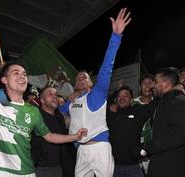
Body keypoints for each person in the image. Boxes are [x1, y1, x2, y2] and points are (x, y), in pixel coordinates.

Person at [0, 8, 87, 177]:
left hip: (29, 172)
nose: (22, 77)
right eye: (15, 73)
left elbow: (50, 136)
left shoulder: (32, 110)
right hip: (1, 172)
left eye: (24, 74)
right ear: (4, 80)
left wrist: (75, 136)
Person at [58, 8, 131, 177]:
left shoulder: (97, 94)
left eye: (84, 78)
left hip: (100, 149)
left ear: (91, 82)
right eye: (77, 78)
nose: (81, 80)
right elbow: (57, 116)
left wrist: (116, 37)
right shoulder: (71, 101)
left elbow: (107, 67)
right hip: (81, 150)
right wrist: (64, 102)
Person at [140, 67, 185, 177]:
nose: (153, 85)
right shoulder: (163, 101)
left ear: (165, 84)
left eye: (156, 81)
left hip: (174, 167)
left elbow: (181, 135)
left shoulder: (178, 101)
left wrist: (147, 147)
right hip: (162, 163)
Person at [31, 86, 76, 177]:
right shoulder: (36, 116)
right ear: (42, 100)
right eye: (50, 94)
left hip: (59, 169)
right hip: (41, 169)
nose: (54, 96)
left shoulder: (60, 117)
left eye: (56, 94)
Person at [107, 86, 147, 177]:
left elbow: (153, 104)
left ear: (131, 100)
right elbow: (103, 101)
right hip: (114, 166)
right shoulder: (111, 114)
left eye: (126, 95)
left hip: (133, 166)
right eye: (119, 96)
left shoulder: (138, 111)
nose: (122, 97)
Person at [133, 74, 155, 175]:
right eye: (144, 83)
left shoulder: (159, 103)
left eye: (150, 83)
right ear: (139, 87)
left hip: (152, 149)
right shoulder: (132, 103)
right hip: (133, 149)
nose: (147, 86)